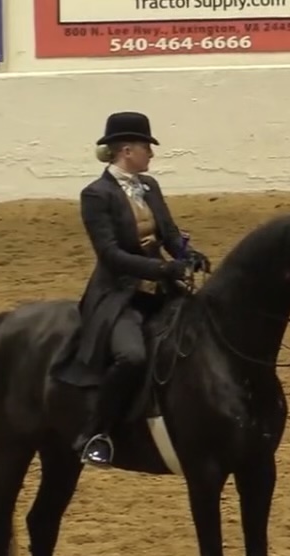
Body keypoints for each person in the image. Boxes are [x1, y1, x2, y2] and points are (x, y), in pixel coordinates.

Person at [56, 111, 211, 467]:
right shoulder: (96, 195)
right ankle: (96, 432)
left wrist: (189, 255)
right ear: (127, 150)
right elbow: (111, 255)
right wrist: (163, 268)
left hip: (160, 288)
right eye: (146, 148)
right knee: (132, 358)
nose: (151, 155)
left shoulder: (149, 186)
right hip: (119, 294)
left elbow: (169, 233)